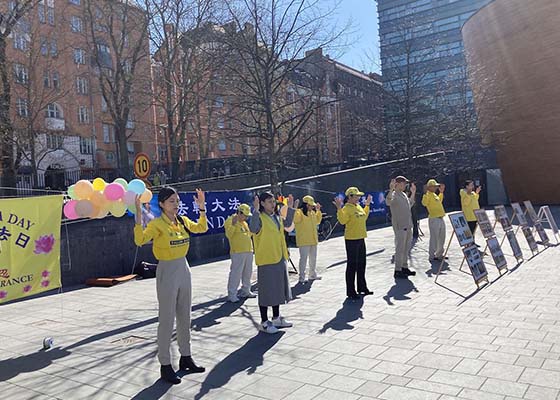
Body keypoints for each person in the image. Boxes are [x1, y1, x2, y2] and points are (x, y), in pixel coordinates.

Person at [133, 187, 207, 384]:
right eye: (171, 201)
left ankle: (186, 357)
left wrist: (202, 208)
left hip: (184, 267)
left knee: (185, 316)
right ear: (162, 204)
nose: (176, 204)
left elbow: (202, 228)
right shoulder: (157, 224)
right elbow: (139, 240)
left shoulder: (181, 221)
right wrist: (139, 215)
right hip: (167, 269)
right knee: (166, 319)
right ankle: (165, 365)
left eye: (177, 201)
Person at [249, 191, 295, 334]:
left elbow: (287, 225)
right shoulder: (259, 217)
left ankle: (276, 317)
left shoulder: (276, 217)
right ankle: (264, 322)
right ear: (262, 203)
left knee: (277, 289)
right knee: (266, 292)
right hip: (267, 259)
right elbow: (253, 228)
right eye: (269, 201)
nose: (272, 204)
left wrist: (291, 209)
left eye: (273, 201)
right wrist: (255, 210)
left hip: (279, 256)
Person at [333, 187, 373, 299]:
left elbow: (363, 217)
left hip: (361, 238)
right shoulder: (346, 208)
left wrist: (367, 205)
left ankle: (362, 287)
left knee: (361, 264)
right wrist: (339, 208)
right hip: (351, 239)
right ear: (350, 196)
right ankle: (351, 291)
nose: (359, 197)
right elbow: (342, 220)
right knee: (352, 265)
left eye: (359, 195)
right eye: (356, 196)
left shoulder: (358, 206)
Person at [224, 204, 256, 302]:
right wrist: (233, 225)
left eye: (247, 216)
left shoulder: (244, 223)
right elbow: (229, 235)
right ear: (239, 213)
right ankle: (232, 294)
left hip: (248, 251)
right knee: (236, 273)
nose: (246, 218)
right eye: (245, 215)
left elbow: (249, 234)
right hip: (237, 252)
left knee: (247, 272)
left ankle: (246, 290)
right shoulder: (230, 220)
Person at [386, 176, 417, 279]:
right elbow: (388, 201)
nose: (405, 185)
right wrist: (391, 189)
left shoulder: (403, 194)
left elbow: (410, 204)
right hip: (400, 226)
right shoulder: (394, 195)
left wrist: (413, 193)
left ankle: (404, 267)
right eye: (403, 183)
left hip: (408, 225)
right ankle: (397, 269)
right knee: (400, 249)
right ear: (398, 184)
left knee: (406, 248)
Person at [294, 195, 322, 284]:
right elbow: (295, 219)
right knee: (303, 259)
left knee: (313, 258)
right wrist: (294, 209)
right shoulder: (299, 212)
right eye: (310, 205)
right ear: (306, 205)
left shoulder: (312, 213)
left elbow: (318, 221)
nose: (312, 207)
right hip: (304, 240)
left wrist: (318, 211)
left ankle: (312, 274)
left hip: (313, 239)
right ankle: (301, 277)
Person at [422, 179, 447, 262]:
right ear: (430, 187)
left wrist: (441, 193)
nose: (436, 187)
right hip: (434, 219)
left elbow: (439, 201)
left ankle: (439, 254)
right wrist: (425, 194)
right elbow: (424, 203)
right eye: (435, 186)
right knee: (434, 238)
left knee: (441, 237)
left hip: (440, 218)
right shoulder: (428, 194)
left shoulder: (434, 195)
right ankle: (432, 255)